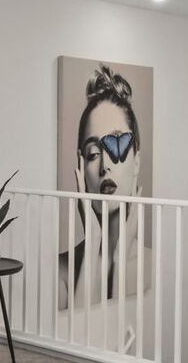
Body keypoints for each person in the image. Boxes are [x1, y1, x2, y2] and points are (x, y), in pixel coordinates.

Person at [58, 65, 145, 313]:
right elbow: (74, 339)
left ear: (136, 162)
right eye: (94, 153)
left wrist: (119, 260)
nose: (105, 166)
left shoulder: (155, 264)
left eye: (116, 145)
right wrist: (94, 240)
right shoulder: (61, 271)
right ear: (81, 167)